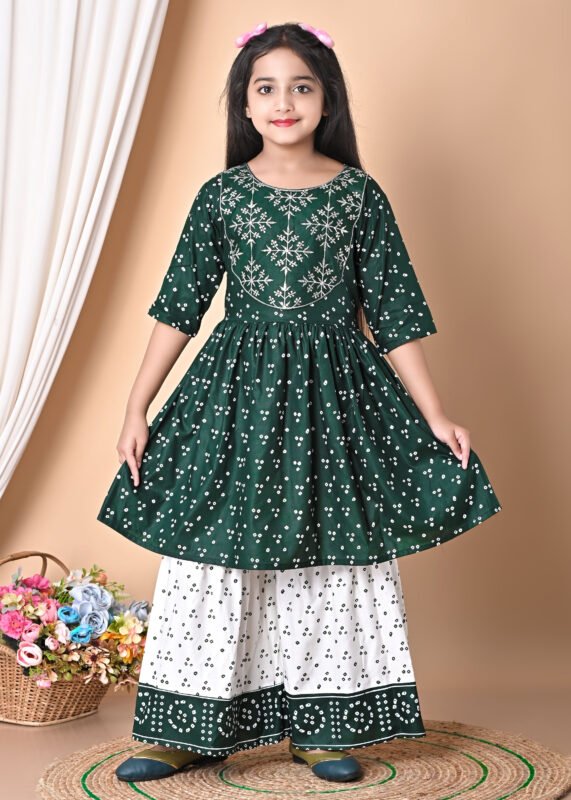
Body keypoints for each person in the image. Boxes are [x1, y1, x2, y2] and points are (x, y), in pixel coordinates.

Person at [97, 20, 502, 785]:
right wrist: (135, 407)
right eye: (266, 87)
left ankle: (324, 727)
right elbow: (178, 308)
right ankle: (186, 726)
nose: (283, 101)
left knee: (328, 556)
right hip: (233, 398)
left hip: (334, 401)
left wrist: (434, 413)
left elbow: (393, 314)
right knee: (211, 555)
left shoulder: (358, 195)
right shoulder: (220, 196)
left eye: (301, 86)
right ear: (244, 104)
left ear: (327, 100)